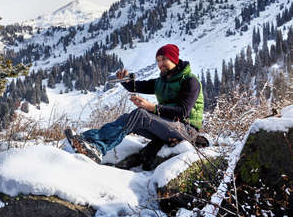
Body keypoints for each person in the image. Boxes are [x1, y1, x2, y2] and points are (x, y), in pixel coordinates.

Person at [65, 44, 205, 170]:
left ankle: (98, 148)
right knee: (129, 118)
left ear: (174, 59)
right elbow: (135, 86)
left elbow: (182, 112)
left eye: (164, 59)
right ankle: (87, 140)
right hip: (168, 127)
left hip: (186, 129)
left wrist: (151, 107)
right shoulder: (161, 81)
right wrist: (125, 79)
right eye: (158, 60)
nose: (160, 64)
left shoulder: (190, 81)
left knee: (141, 114)